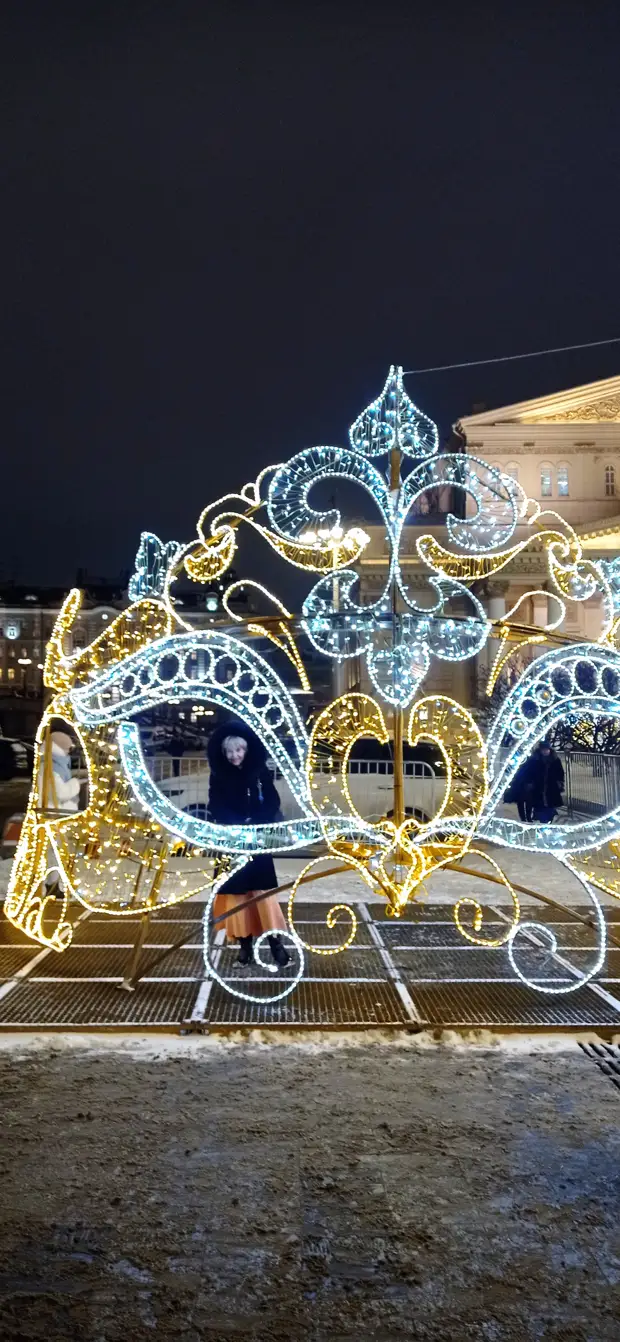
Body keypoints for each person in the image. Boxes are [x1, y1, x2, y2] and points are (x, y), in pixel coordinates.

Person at [207, 720, 290, 968]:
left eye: (238, 751)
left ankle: (276, 945)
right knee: (236, 897)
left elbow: (272, 800)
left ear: (246, 750)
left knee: (262, 895)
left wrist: (258, 820)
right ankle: (245, 949)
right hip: (233, 842)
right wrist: (234, 822)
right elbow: (215, 805)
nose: (234, 756)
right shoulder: (218, 776)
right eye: (229, 752)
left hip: (257, 841)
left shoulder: (259, 772)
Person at [528, 742, 564, 824]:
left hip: (551, 786)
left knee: (550, 805)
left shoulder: (555, 759)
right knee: (540, 806)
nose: (545, 751)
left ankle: (549, 820)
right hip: (538, 786)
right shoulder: (535, 760)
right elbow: (529, 772)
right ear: (540, 750)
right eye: (544, 750)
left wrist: (560, 783)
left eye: (547, 750)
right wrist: (530, 783)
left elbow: (560, 772)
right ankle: (543, 822)